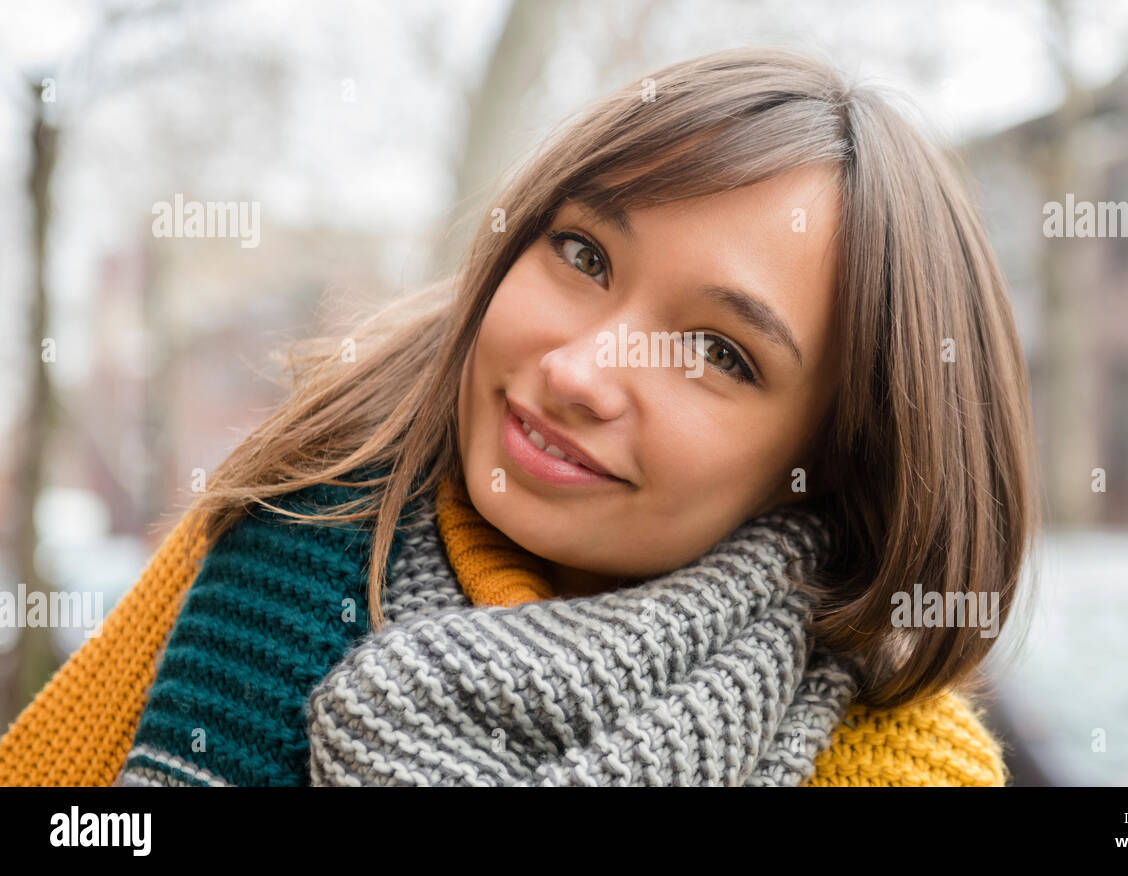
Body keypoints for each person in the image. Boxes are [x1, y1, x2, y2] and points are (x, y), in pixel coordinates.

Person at [0, 46, 1038, 787]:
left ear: (835, 456)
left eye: (720, 352)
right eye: (583, 255)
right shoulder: (285, 517)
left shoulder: (898, 770)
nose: (584, 369)